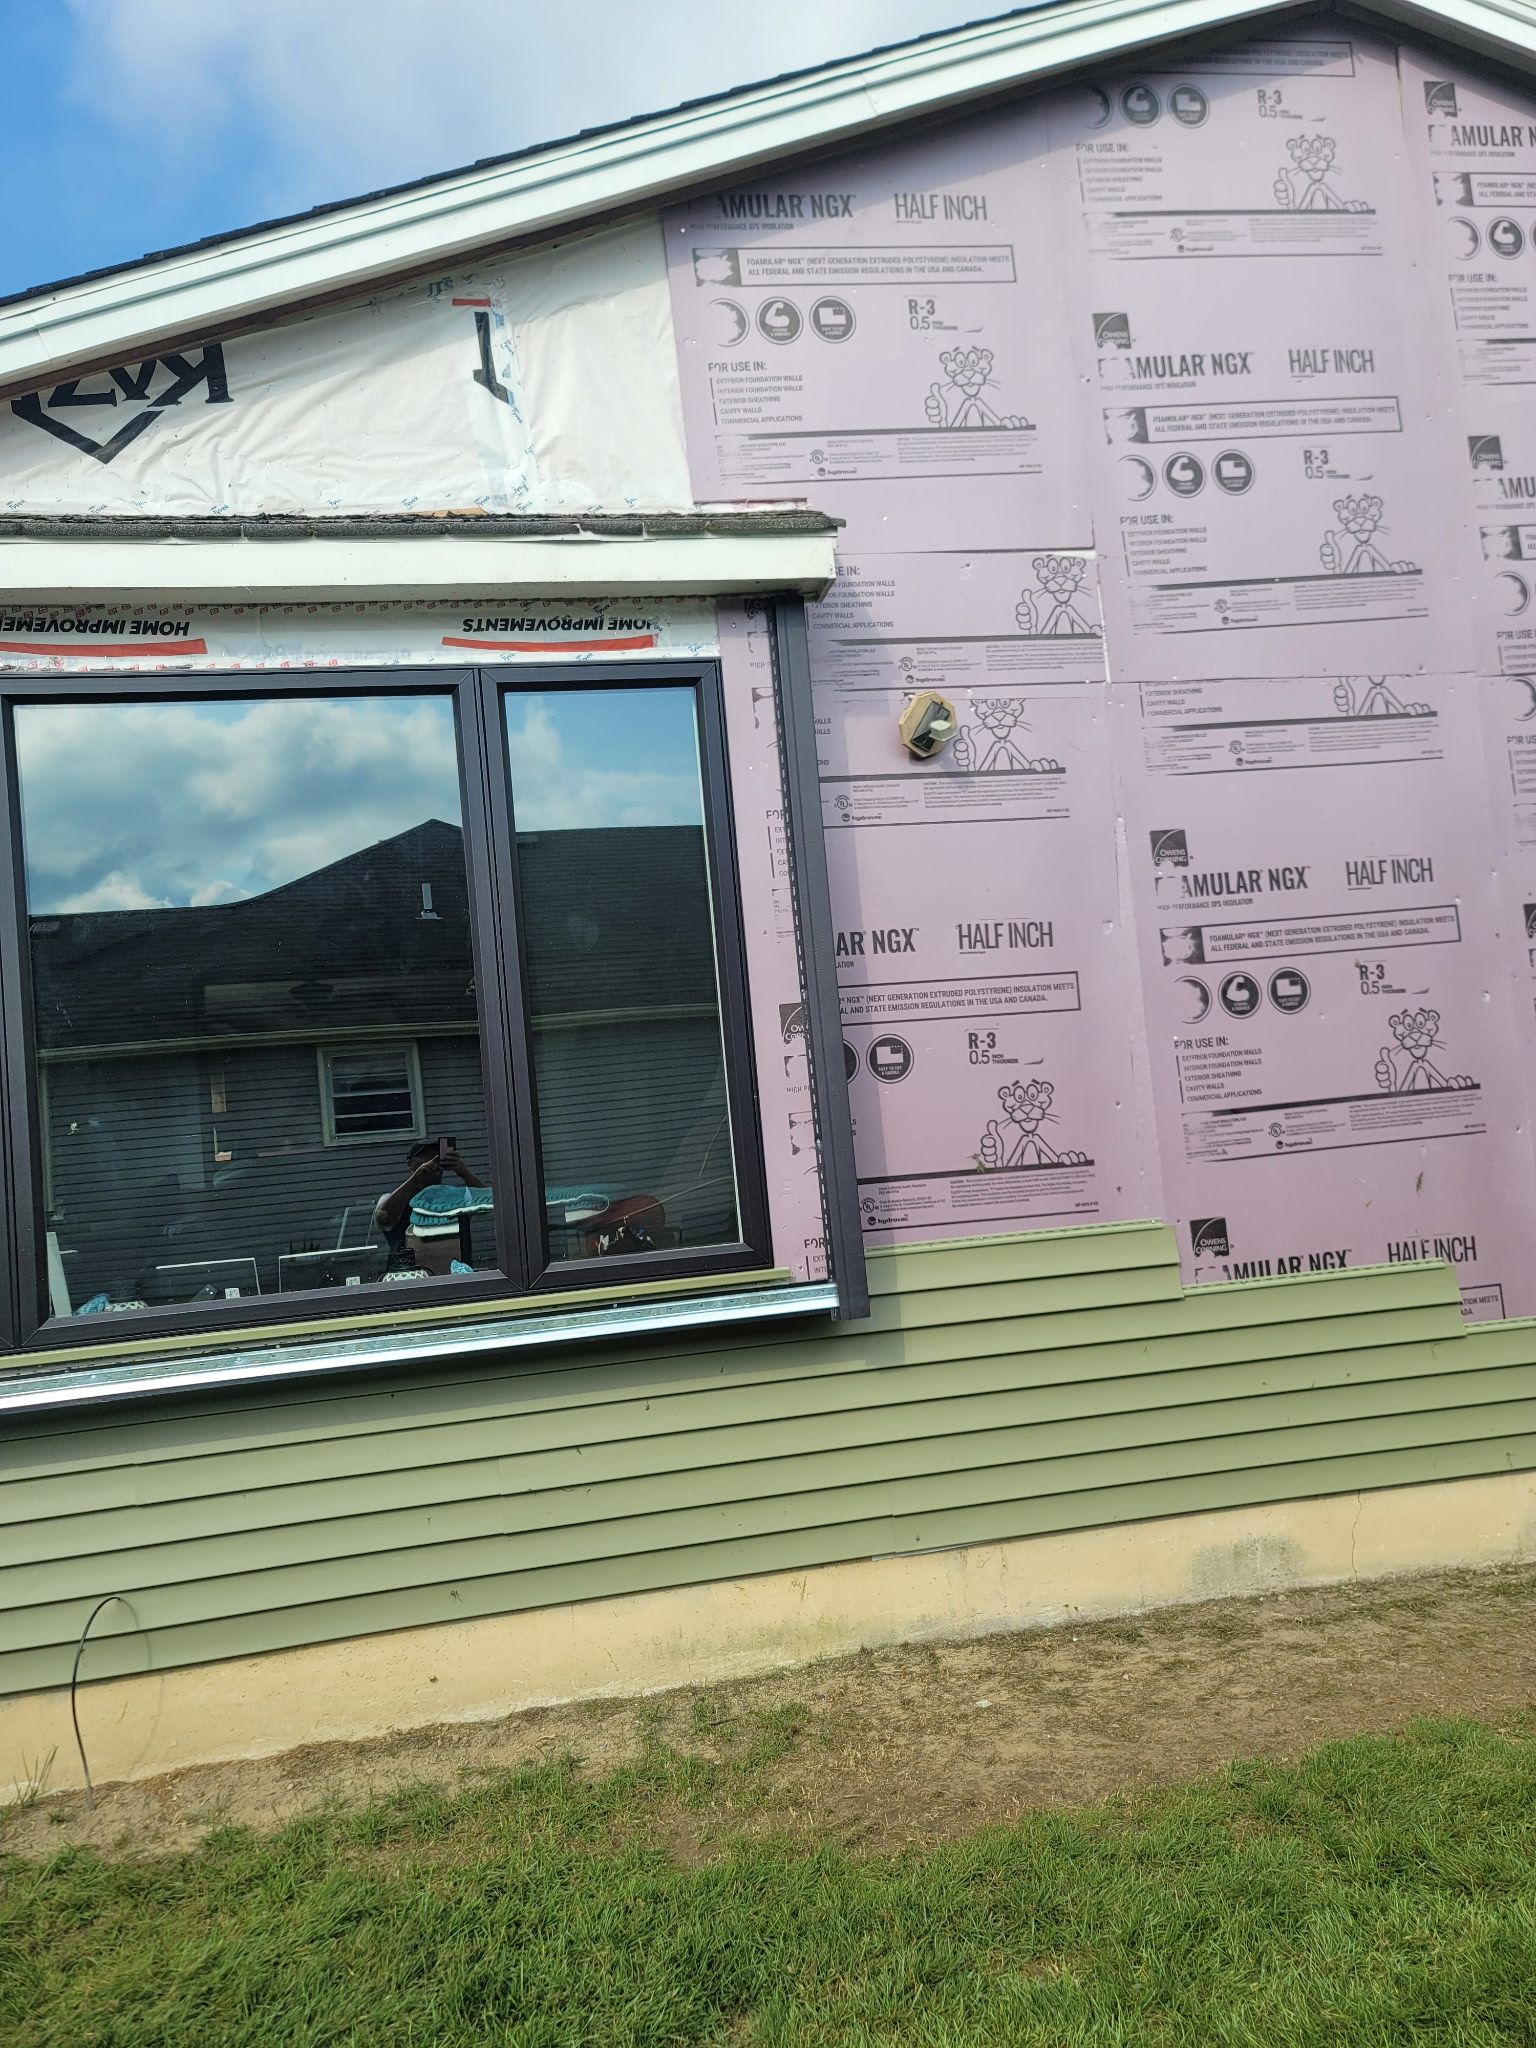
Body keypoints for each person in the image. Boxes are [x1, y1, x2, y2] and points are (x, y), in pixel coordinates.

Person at [374, 1139, 489, 1276]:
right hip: (410, 1278)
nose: (431, 1161)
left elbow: (487, 1205)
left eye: (437, 1157)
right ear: (410, 1164)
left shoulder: (456, 1197)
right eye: (426, 1157)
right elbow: (383, 1217)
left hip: (458, 1277)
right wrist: (415, 1180)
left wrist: (463, 1172)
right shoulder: (396, 1198)